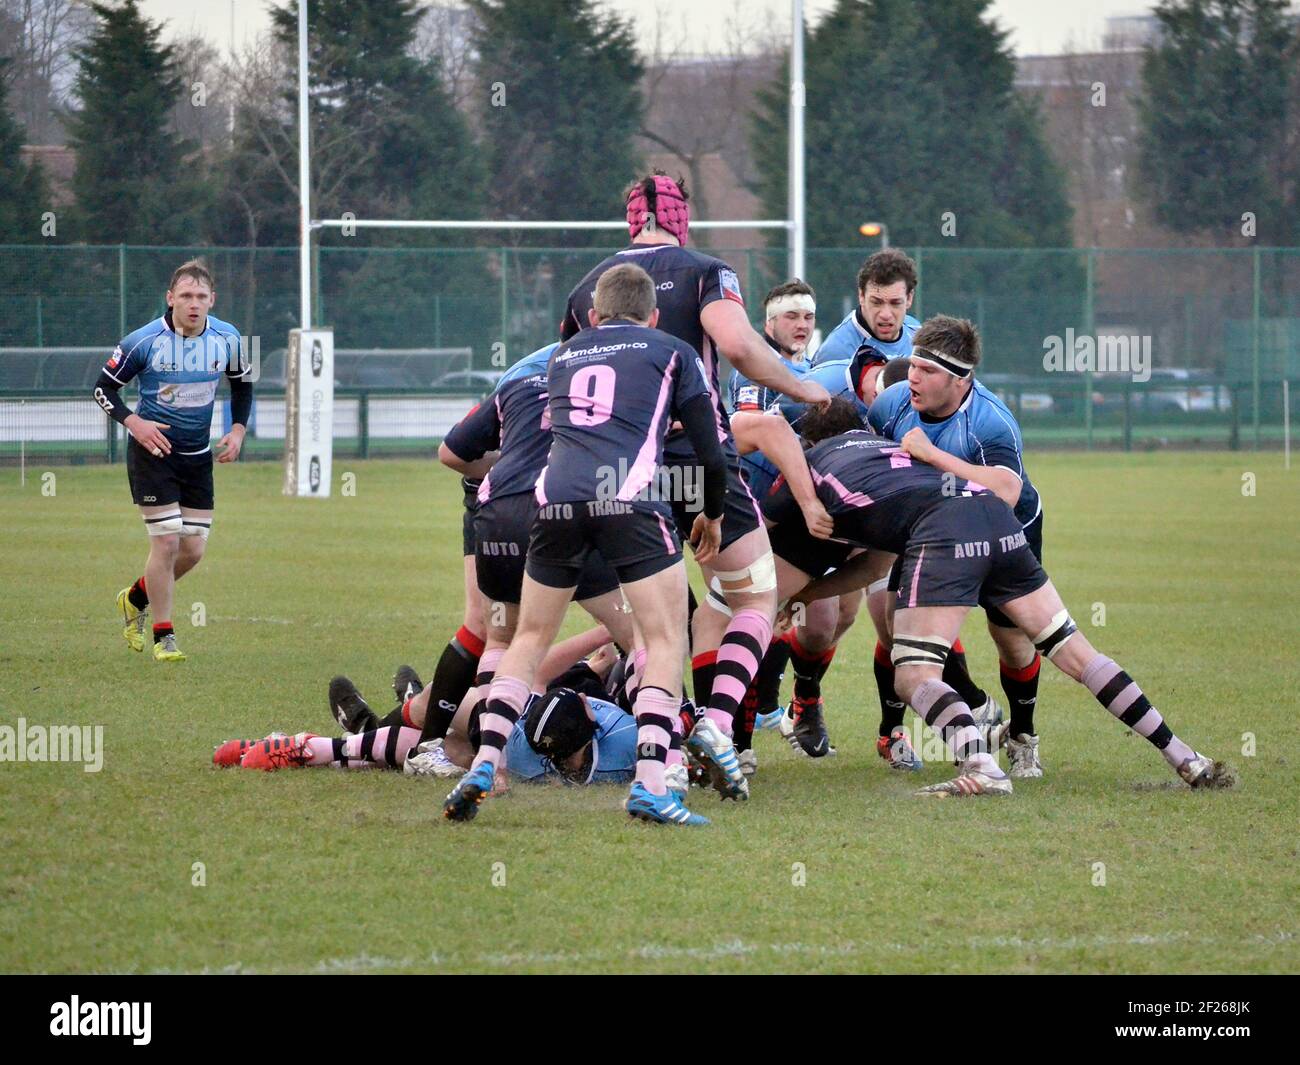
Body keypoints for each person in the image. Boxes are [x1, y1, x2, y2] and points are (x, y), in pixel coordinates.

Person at [765, 400, 1233, 796]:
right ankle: (1186, 757)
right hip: (996, 519)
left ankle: (982, 767)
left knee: (913, 675)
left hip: (943, 534)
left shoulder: (809, 464)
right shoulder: (891, 450)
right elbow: (875, 564)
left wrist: (791, 593)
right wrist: (810, 593)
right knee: (1076, 652)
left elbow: (766, 535)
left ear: (807, 442)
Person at [561, 172, 832, 801]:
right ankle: (714, 723)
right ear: (684, 215)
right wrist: (802, 385)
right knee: (754, 598)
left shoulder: (589, 287)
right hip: (694, 453)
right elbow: (737, 345)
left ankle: (667, 759)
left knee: (659, 631)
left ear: (630, 219)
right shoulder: (705, 270)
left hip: (614, 472)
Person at [444, 263, 729, 826]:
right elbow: (710, 449)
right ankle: (651, 785)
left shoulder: (560, 356)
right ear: (653, 315)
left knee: (527, 637)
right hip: (628, 497)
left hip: (554, 500)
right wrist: (713, 515)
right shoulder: (673, 348)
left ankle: (483, 761)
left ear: (592, 316)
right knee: (664, 637)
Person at [868, 316, 1045, 777]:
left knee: (1013, 643)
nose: (912, 377)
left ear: (961, 379)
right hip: (933, 532)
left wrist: (932, 455)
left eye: (927, 371)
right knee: (898, 629)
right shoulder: (891, 405)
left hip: (1005, 532)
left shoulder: (990, 422)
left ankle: (1023, 736)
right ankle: (898, 730)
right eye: (913, 365)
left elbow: (1006, 490)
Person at [92, 259, 251, 662]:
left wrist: (237, 431)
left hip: (197, 458)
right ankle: (165, 636)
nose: (193, 304)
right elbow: (103, 390)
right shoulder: (142, 341)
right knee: (165, 542)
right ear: (170, 298)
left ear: (212, 299)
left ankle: (134, 598)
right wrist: (135, 424)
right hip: (153, 454)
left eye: (201, 296)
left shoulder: (228, 338)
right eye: (185, 296)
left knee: (193, 550)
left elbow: (242, 384)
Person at [812, 248, 921, 365]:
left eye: (895, 303)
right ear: (861, 296)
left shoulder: (917, 333)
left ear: (909, 298)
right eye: (876, 302)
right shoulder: (836, 352)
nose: (885, 314)